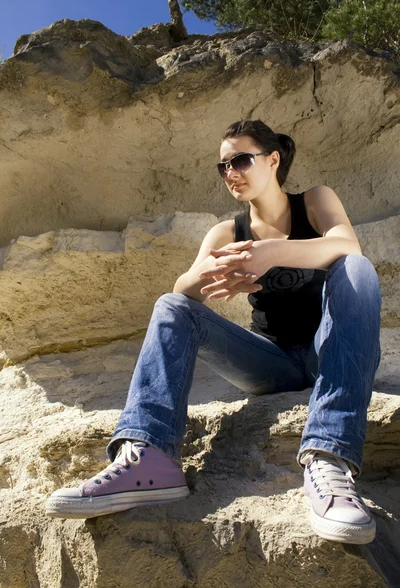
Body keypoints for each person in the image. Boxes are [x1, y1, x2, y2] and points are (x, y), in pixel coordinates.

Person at [46, 119, 381, 545]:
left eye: (241, 160)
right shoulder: (226, 232)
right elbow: (181, 297)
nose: (231, 173)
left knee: (357, 268)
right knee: (171, 305)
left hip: (330, 351)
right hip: (270, 364)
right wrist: (204, 274)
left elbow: (348, 245)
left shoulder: (314, 201)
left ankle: (330, 460)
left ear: (273, 159)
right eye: (222, 166)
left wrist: (272, 252)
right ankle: (151, 456)